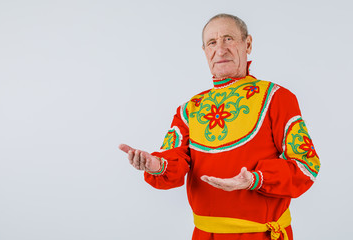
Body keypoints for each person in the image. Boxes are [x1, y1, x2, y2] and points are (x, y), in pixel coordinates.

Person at [119, 13, 320, 240]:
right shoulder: (189, 110)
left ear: (248, 44)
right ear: (205, 51)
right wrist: (155, 164)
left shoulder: (277, 98)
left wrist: (255, 179)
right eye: (212, 43)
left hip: (261, 236)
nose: (220, 49)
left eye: (228, 39)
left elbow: (306, 165)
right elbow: (173, 161)